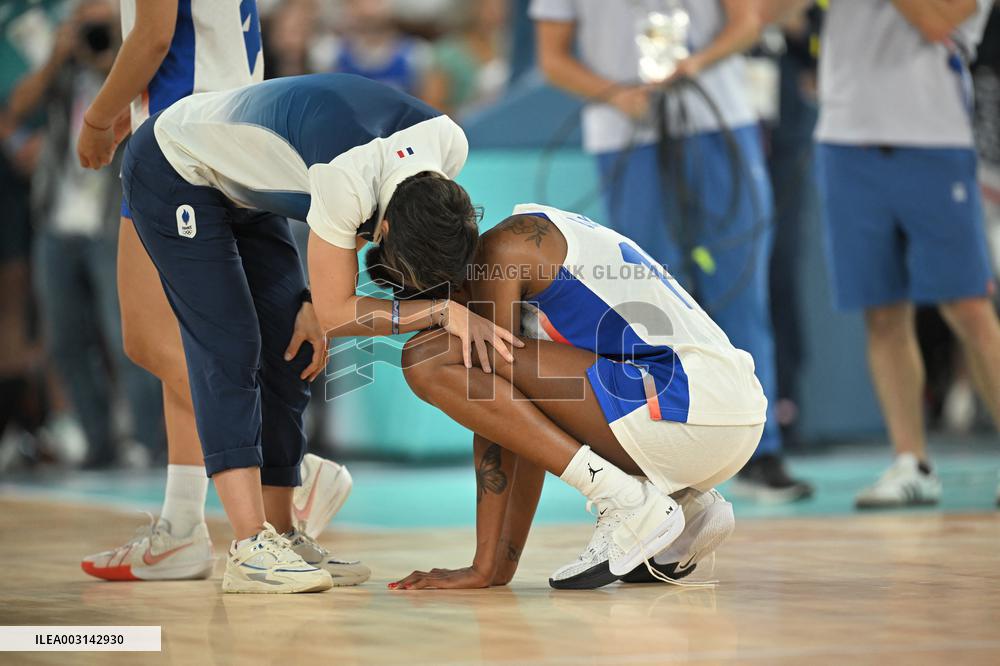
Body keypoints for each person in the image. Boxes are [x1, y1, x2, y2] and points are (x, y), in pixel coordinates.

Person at [119, 72, 520, 593]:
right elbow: (339, 312)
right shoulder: (347, 177)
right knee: (230, 346)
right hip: (176, 164)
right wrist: (440, 312)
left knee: (293, 344)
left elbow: (327, 304)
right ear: (388, 230)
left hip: (253, 183)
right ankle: (247, 550)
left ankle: (283, 533)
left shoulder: (449, 144)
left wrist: (310, 301)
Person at [75, 0, 361, 586]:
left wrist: (97, 117)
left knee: (159, 339)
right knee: (194, 335)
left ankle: (282, 472)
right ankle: (185, 523)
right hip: (238, 132)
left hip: (181, 145)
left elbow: (152, 38)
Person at [382, 204, 765, 590]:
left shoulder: (499, 255)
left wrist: (482, 567)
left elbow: (491, 410)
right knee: (498, 378)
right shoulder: (540, 236)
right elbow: (519, 425)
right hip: (728, 417)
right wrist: (498, 568)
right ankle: (687, 504)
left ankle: (629, 502)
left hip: (687, 405)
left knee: (427, 357)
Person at [531, 0, 812, 502]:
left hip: (717, 118)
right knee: (644, 308)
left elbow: (746, 21)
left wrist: (694, 66)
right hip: (626, 132)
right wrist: (617, 95)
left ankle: (760, 450)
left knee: (740, 287)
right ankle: (659, 457)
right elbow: (552, 58)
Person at [808, 0, 1000, 508]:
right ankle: (911, 462)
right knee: (882, 311)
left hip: (934, 142)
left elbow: (935, 19)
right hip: (844, 141)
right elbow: (772, 14)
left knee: (969, 309)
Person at [7, 0, 165, 469]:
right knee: (65, 341)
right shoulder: (63, 66)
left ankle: (149, 442)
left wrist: (112, 59)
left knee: (127, 336)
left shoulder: (137, 57)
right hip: (57, 221)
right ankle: (100, 443)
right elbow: (17, 107)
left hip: (112, 218)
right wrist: (59, 56)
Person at [421, 0, 510, 120]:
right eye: (489, 5)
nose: (497, 10)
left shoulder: (509, 48)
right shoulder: (447, 53)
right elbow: (431, 107)